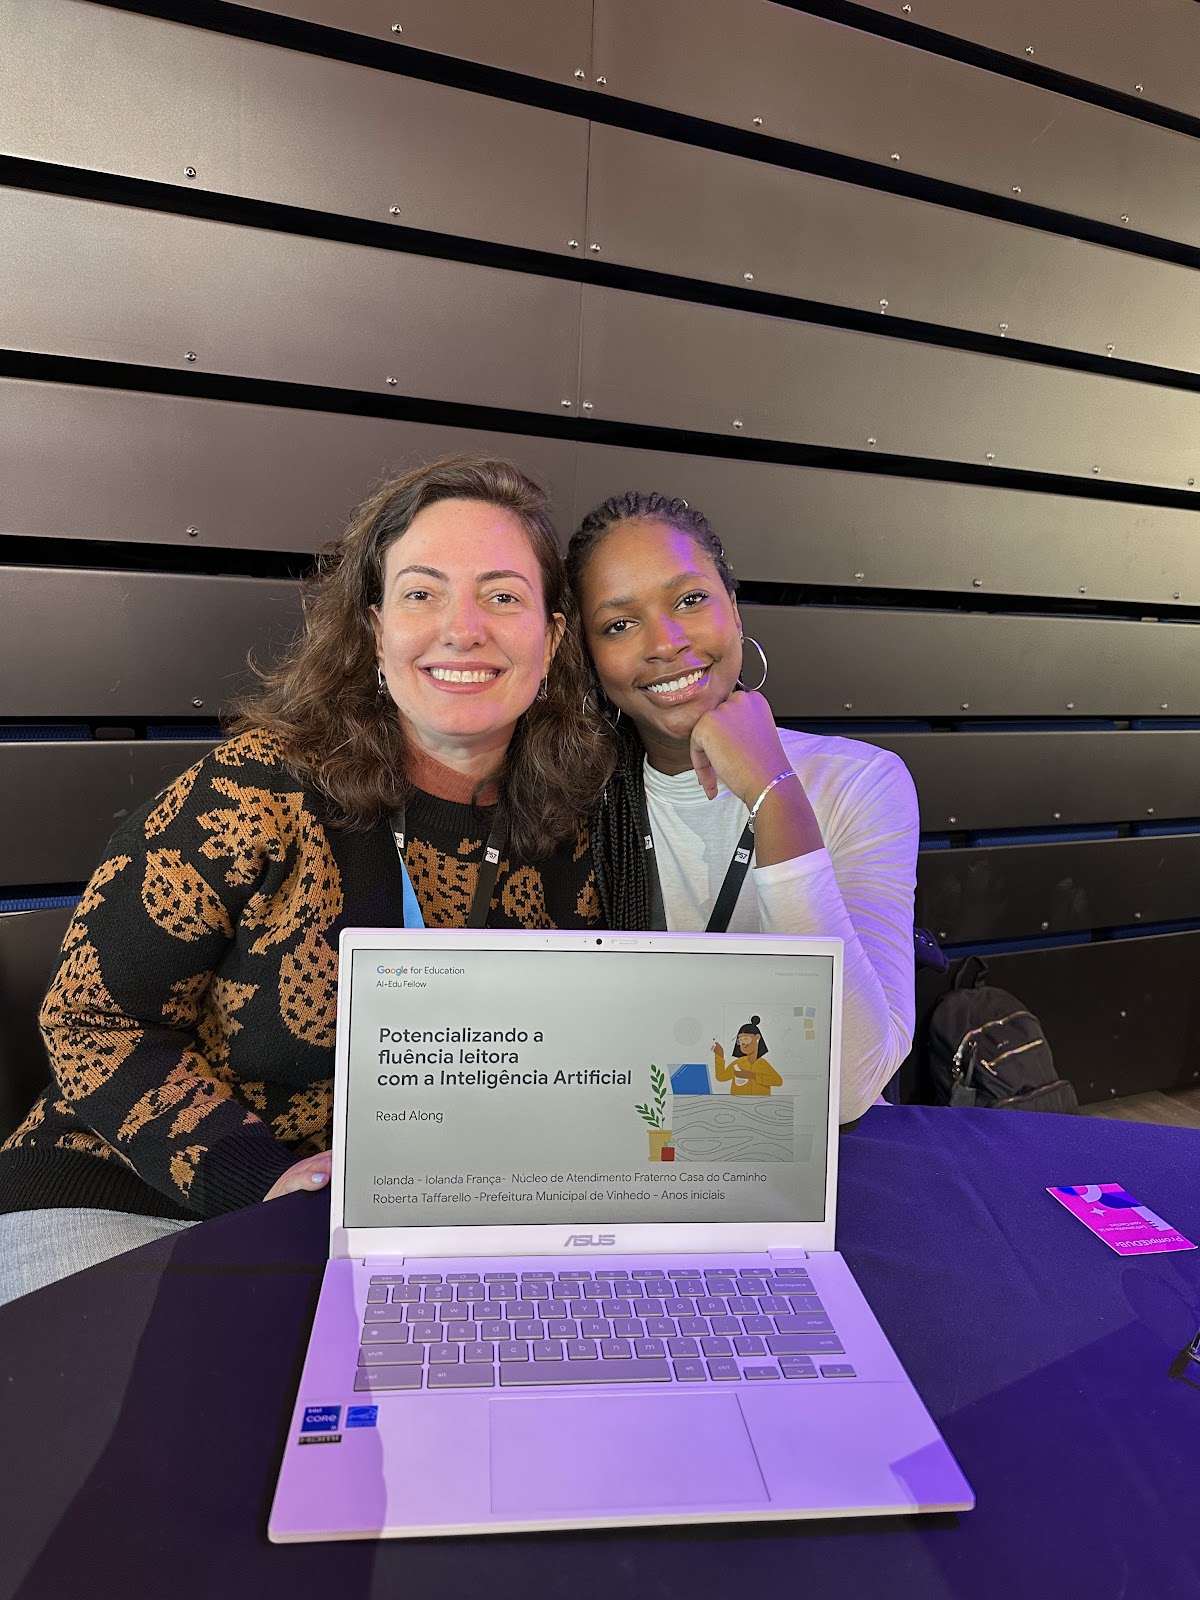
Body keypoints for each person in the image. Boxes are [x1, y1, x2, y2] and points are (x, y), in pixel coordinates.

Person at [0, 456, 608, 1303]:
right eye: (422, 593)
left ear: (553, 632)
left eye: (502, 595)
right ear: (374, 630)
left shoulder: (564, 824)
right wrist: (259, 1184)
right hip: (123, 1196)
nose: (462, 629)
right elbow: (91, 1018)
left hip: (378, 1227)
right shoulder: (255, 791)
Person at [566, 490, 918, 1124]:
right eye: (619, 624)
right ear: (589, 658)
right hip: (629, 1146)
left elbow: (848, 1085)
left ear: (734, 606)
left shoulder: (860, 782)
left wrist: (772, 791)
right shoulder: (574, 800)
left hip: (813, 1168)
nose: (665, 642)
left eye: (690, 600)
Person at [713, 1016, 783, 1097]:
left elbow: (778, 1081)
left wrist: (753, 1076)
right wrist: (719, 1056)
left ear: (757, 1038)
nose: (743, 1043)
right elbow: (721, 1077)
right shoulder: (738, 1063)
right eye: (740, 1040)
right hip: (739, 1103)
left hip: (761, 1103)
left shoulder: (763, 1064)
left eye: (746, 1039)